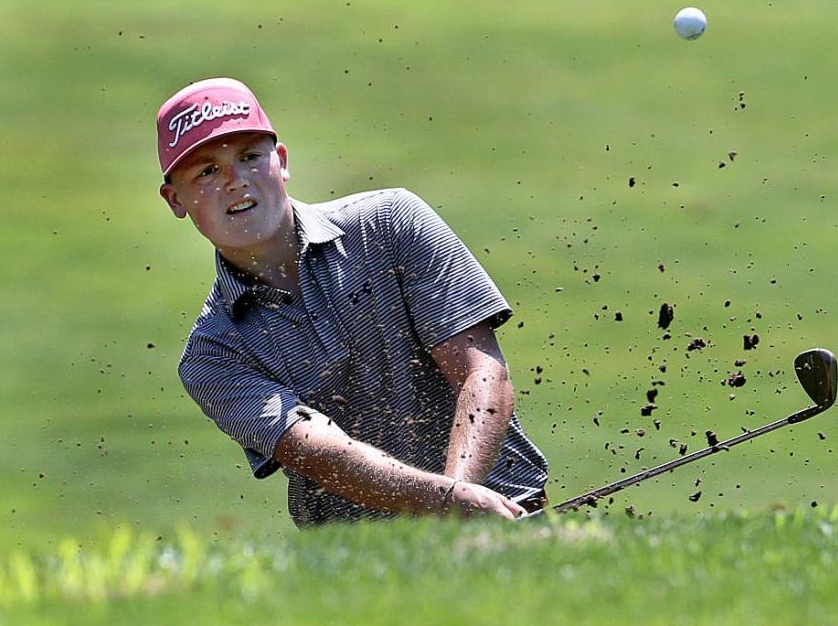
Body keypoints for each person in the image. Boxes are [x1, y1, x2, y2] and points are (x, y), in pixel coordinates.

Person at [155, 78, 549, 525]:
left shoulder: (391, 223)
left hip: (508, 520)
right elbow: (321, 453)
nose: (234, 181)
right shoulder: (214, 356)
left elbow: (482, 371)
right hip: (369, 564)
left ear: (280, 162)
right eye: (206, 171)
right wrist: (448, 503)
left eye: (249, 157)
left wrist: (461, 500)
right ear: (175, 200)